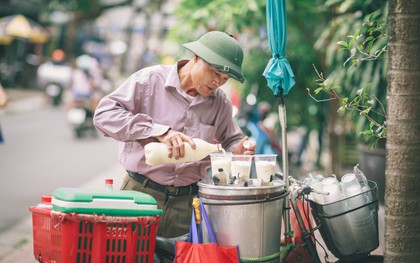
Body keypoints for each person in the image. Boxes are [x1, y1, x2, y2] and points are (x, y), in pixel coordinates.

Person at [93, 31, 256, 238]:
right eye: (214, 73)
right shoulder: (149, 81)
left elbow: (231, 140)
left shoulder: (220, 102)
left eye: (224, 79)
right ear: (196, 58)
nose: (218, 82)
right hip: (140, 194)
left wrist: (238, 150)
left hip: (188, 203)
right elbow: (104, 115)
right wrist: (158, 132)